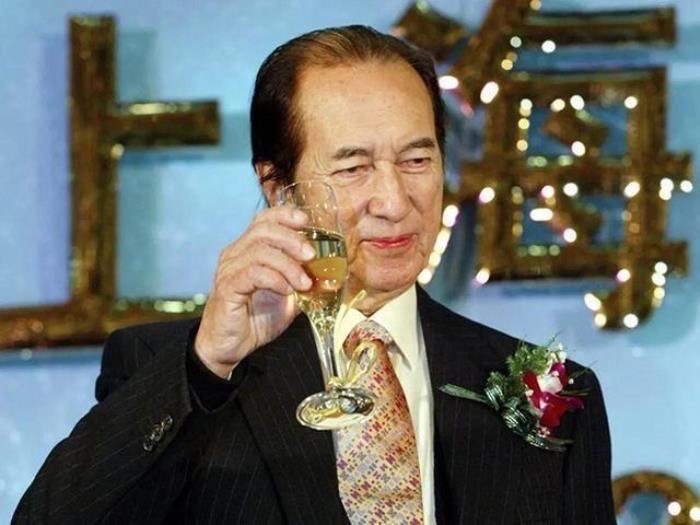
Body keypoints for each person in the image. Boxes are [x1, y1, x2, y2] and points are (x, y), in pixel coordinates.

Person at [14, 25, 615, 524]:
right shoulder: (183, 371)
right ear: (279, 188)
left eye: (417, 159)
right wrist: (207, 363)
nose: (394, 201)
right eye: (353, 169)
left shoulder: (550, 389)